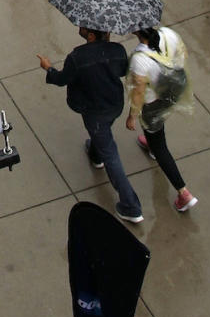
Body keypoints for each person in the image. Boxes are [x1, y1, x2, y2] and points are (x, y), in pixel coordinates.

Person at [38, 27, 144, 223]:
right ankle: (96, 155)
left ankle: (131, 206)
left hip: (94, 111)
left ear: (92, 35)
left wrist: (48, 68)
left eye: (84, 27)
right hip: (114, 105)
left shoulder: (77, 57)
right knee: (102, 134)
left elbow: (61, 80)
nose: (80, 28)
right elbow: (123, 71)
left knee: (110, 153)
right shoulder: (118, 51)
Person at [125, 27, 198, 212]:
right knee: (155, 127)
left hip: (153, 102)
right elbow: (183, 53)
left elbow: (139, 91)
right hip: (175, 90)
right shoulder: (169, 34)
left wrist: (132, 116)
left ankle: (183, 193)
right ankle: (151, 141)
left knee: (160, 145)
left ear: (138, 33)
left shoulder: (139, 59)